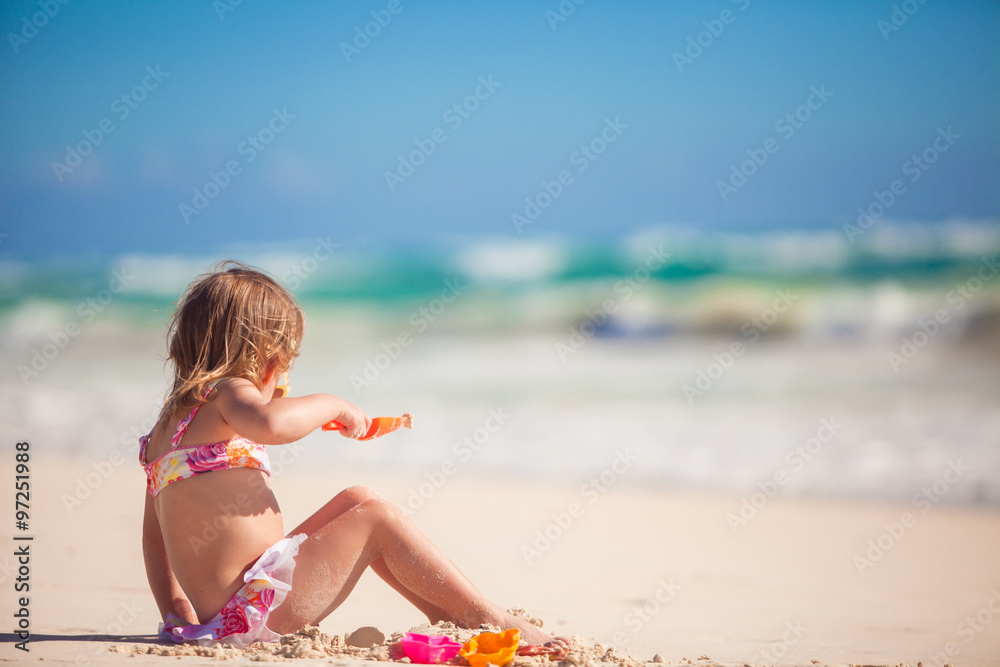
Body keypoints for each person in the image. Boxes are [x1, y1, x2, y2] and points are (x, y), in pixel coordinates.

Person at [140, 262, 559, 648]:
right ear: (260, 357)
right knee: (378, 519)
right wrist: (334, 404)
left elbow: (154, 536)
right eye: (282, 369)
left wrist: (175, 608)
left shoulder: (164, 431)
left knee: (357, 499)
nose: (281, 384)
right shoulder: (228, 391)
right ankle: (484, 615)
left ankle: (445, 614)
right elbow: (270, 423)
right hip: (251, 611)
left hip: (242, 601)